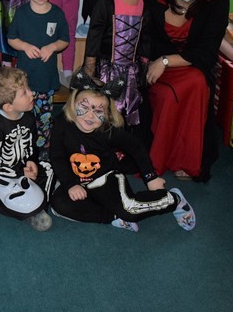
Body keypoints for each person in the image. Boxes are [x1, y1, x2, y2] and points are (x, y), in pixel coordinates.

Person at [50, 70, 196, 232]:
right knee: (58, 204)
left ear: (107, 114)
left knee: (129, 210)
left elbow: (136, 147)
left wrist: (151, 177)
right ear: (73, 104)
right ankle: (114, 217)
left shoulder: (108, 131)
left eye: (99, 111)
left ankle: (174, 200)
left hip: (106, 177)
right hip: (79, 180)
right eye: (84, 107)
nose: (90, 116)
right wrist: (70, 184)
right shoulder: (61, 124)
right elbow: (57, 156)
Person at [145, 0, 230, 182]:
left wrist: (166, 61)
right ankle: (159, 157)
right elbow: (144, 43)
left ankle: (187, 160)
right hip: (154, 72)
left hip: (192, 67)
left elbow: (207, 53)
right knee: (170, 94)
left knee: (196, 82)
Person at [84, 0, 151, 145]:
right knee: (106, 110)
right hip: (106, 69)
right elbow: (94, 36)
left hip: (131, 71)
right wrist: (90, 67)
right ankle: (102, 147)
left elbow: (145, 38)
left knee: (130, 111)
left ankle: (123, 149)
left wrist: (144, 66)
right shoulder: (106, 2)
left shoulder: (143, 5)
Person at [7, 0, 69, 160]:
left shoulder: (57, 14)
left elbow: (65, 40)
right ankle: (21, 150)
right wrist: (25, 46)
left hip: (45, 80)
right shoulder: (21, 13)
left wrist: (52, 46)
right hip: (24, 82)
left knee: (44, 119)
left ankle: (43, 154)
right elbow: (11, 38)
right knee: (23, 118)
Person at [0, 67, 53, 231]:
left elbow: (32, 145)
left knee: (49, 168)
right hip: (1, 174)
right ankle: (32, 211)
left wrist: (31, 162)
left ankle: (36, 204)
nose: (31, 94)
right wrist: (20, 173)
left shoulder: (28, 116)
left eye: (28, 88)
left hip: (22, 168)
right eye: (24, 93)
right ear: (8, 107)